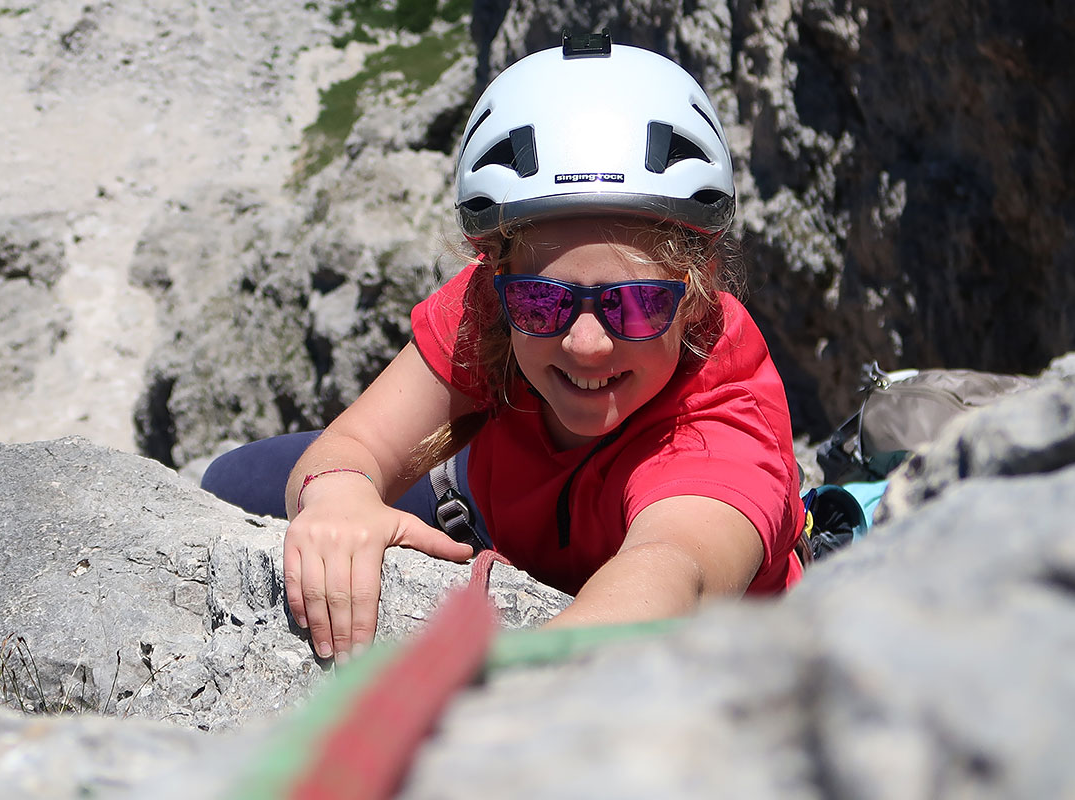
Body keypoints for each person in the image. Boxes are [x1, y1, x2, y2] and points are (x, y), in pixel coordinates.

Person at [201, 36, 804, 662]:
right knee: (238, 481)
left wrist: (518, 683)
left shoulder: (721, 427)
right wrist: (339, 500)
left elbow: (674, 569)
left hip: (711, 670)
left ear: (697, 289)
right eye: (543, 304)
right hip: (498, 520)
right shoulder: (491, 305)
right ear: (497, 279)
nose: (587, 343)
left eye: (636, 305)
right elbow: (355, 446)